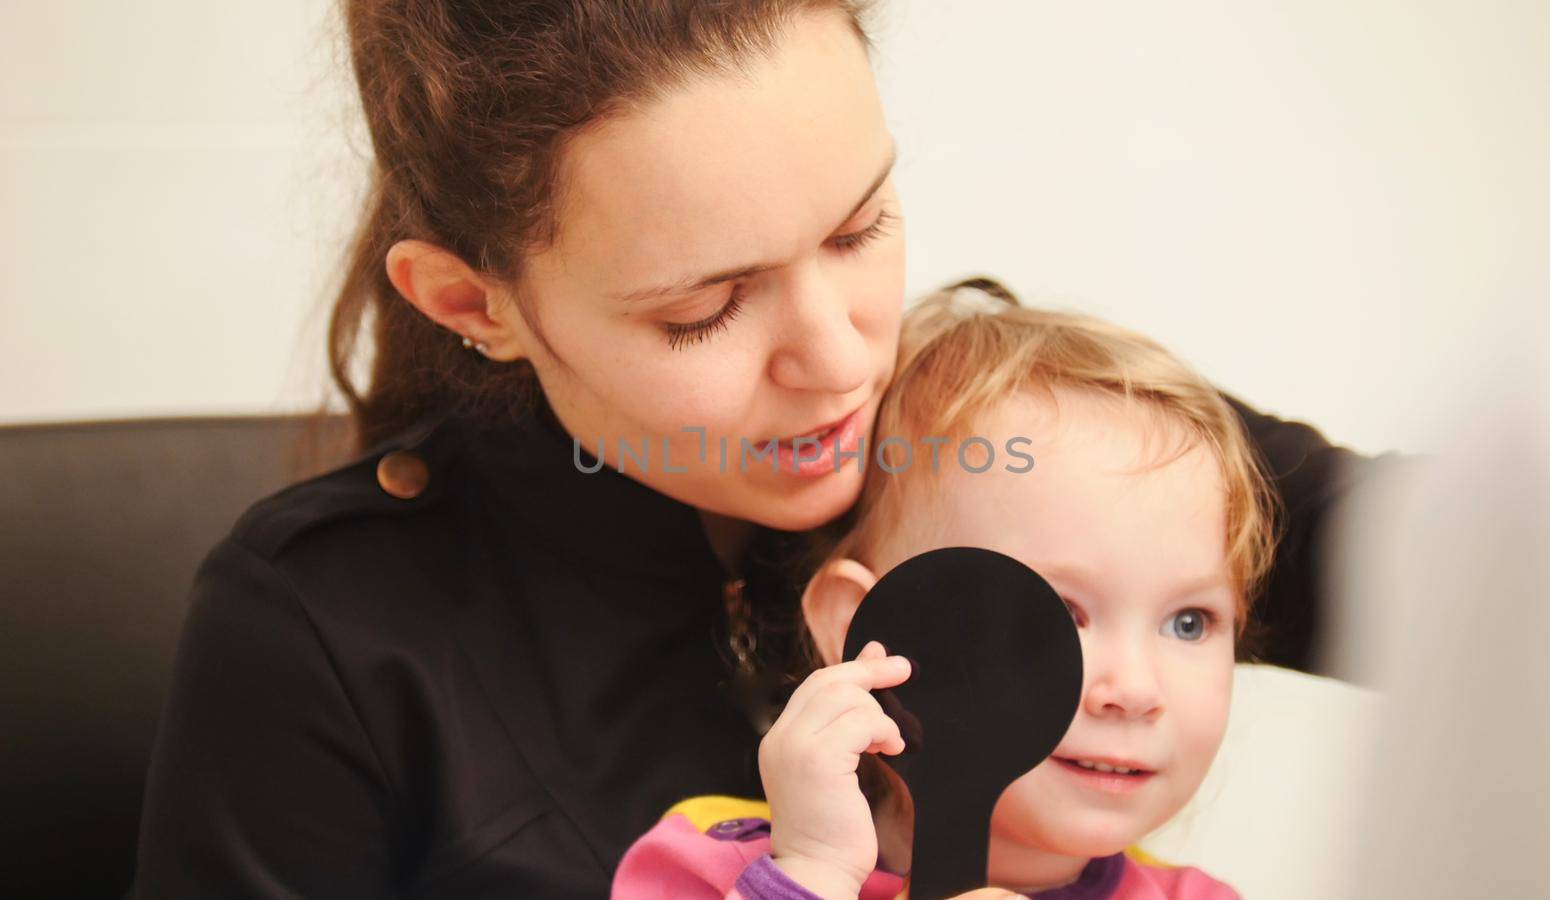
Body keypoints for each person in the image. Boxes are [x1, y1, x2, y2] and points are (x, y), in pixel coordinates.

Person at [134, 2, 1364, 896]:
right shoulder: (323, 629)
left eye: (859, 227)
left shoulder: (1000, 443)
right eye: (703, 310)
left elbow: (1501, 576)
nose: (838, 363)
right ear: (474, 303)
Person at [613, 285, 1267, 898]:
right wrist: (814, 871)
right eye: (1061, 613)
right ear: (864, 628)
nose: (1134, 692)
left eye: (1189, 621)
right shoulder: (712, 869)